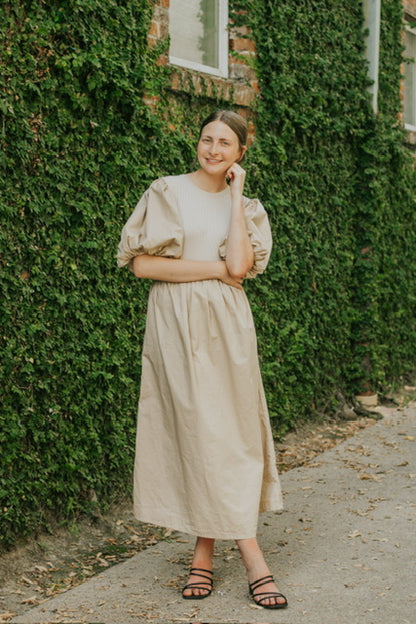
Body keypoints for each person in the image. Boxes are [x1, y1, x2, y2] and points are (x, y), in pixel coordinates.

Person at [117, 110, 288, 610]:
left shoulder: (248, 206)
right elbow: (144, 264)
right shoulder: (166, 190)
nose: (213, 149)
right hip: (173, 325)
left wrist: (235, 198)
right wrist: (214, 268)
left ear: (240, 155)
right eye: (206, 139)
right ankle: (248, 557)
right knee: (195, 432)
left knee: (229, 435)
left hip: (227, 330)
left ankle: (206, 554)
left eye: (225, 143)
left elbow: (242, 265)